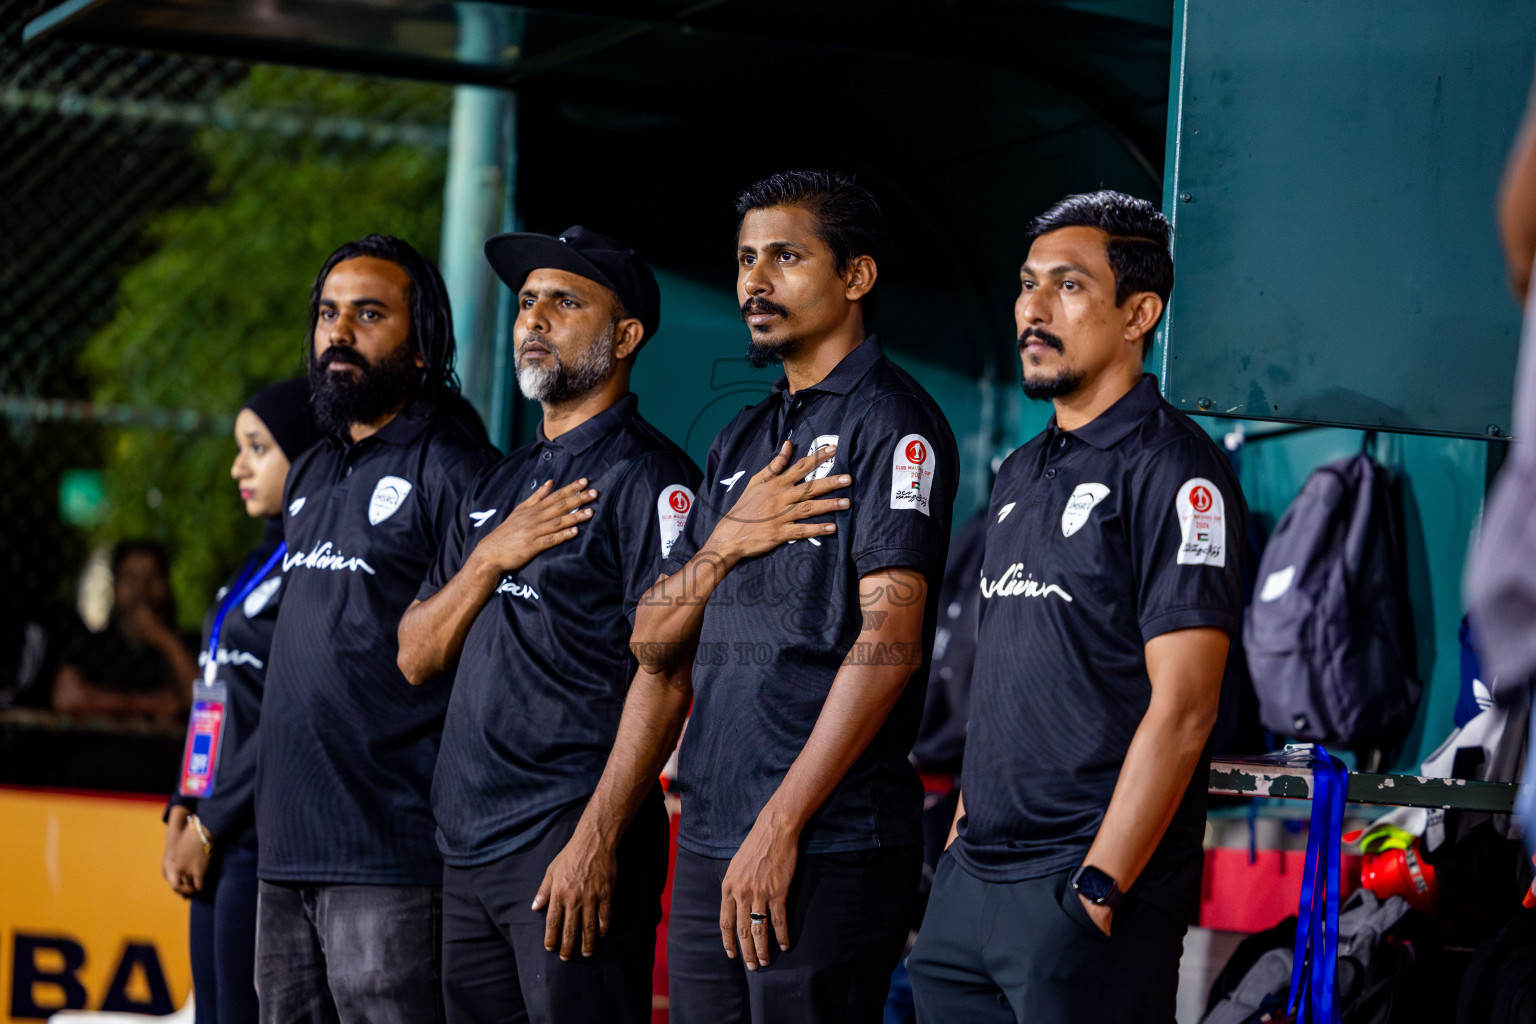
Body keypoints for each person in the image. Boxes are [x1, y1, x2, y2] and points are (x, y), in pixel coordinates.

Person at [541, 170, 957, 1024]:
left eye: (786, 257)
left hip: (823, 841)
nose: (753, 283)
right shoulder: (743, 432)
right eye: (743, 261)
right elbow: (653, 641)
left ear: (856, 277)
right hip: (708, 836)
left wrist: (781, 824)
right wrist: (731, 538)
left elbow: (888, 644)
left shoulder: (894, 423)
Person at [905, 191, 1247, 1022]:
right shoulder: (1019, 471)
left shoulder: (1175, 470)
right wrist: (955, 853)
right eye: (1027, 284)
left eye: (1067, 285)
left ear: (1140, 313)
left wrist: (1098, 888)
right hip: (969, 888)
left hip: (1085, 895)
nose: (1032, 307)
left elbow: (1187, 707)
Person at [396, 226, 700, 1023]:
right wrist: (490, 557)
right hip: (465, 847)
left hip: (568, 845)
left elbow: (668, 677)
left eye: (565, 302)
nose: (534, 318)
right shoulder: (503, 479)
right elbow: (415, 656)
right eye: (527, 301)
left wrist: (596, 841)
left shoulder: (653, 478)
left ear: (627, 335)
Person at [253, 235, 497, 1024]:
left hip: (391, 856)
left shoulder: (454, 468)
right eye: (328, 314)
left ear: (421, 345)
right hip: (284, 854)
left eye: (368, 314)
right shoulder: (313, 470)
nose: (339, 334)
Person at [161, 376, 316, 1024]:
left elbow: (287, 713)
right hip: (212, 826)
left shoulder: (311, 565)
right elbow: (216, 700)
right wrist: (183, 802)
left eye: (257, 448)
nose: (237, 467)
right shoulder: (258, 558)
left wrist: (210, 821)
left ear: (303, 455)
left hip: (255, 835)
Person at [52, 539, 200, 718]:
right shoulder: (91, 646)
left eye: (151, 578)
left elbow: (204, 700)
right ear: (115, 587)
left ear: (167, 586)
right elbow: (67, 698)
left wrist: (164, 640)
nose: (141, 589)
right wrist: (149, 704)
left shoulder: (188, 646)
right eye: (130, 578)